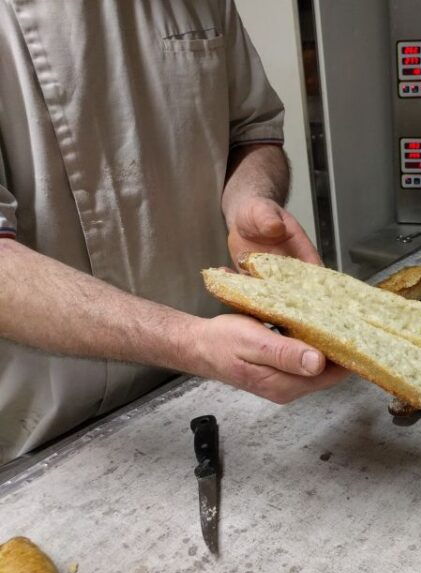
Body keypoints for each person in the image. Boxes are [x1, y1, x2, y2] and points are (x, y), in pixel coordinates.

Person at [0, 0, 347, 465]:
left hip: (223, 384)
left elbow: (253, 132)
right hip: (55, 428)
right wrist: (191, 342)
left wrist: (249, 199)